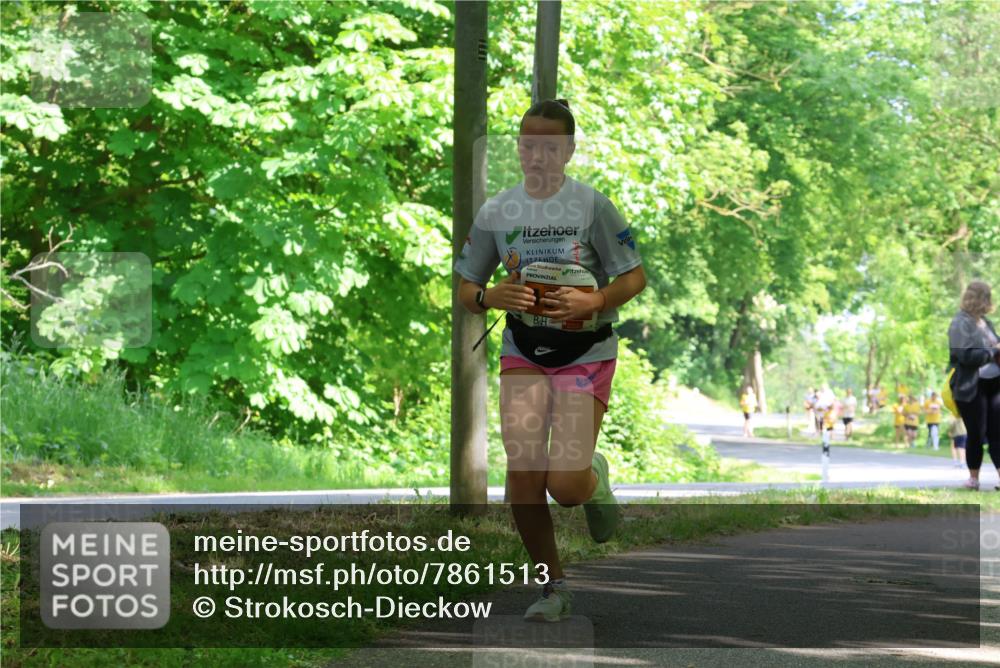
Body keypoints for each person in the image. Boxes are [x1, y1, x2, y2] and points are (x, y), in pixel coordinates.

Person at [454, 99, 646, 621]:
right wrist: (490, 297)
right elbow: (467, 287)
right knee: (522, 474)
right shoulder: (498, 211)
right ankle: (552, 588)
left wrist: (595, 300)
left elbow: (634, 276)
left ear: (568, 150)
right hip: (523, 352)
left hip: (585, 351)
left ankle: (593, 476)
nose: (536, 156)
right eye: (527, 145)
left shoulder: (593, 207)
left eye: (549, 146)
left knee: (563, 485)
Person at [947, 280, 1000, 491]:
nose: (990, 302)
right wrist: (993, 352)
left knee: (998, 433)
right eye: (987, 297)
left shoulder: (985, 322)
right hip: (971, 386)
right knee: (977, 432)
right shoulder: (960, 322)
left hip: (995, 385)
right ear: (978, 298)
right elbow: (964, 355)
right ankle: (973, 479)